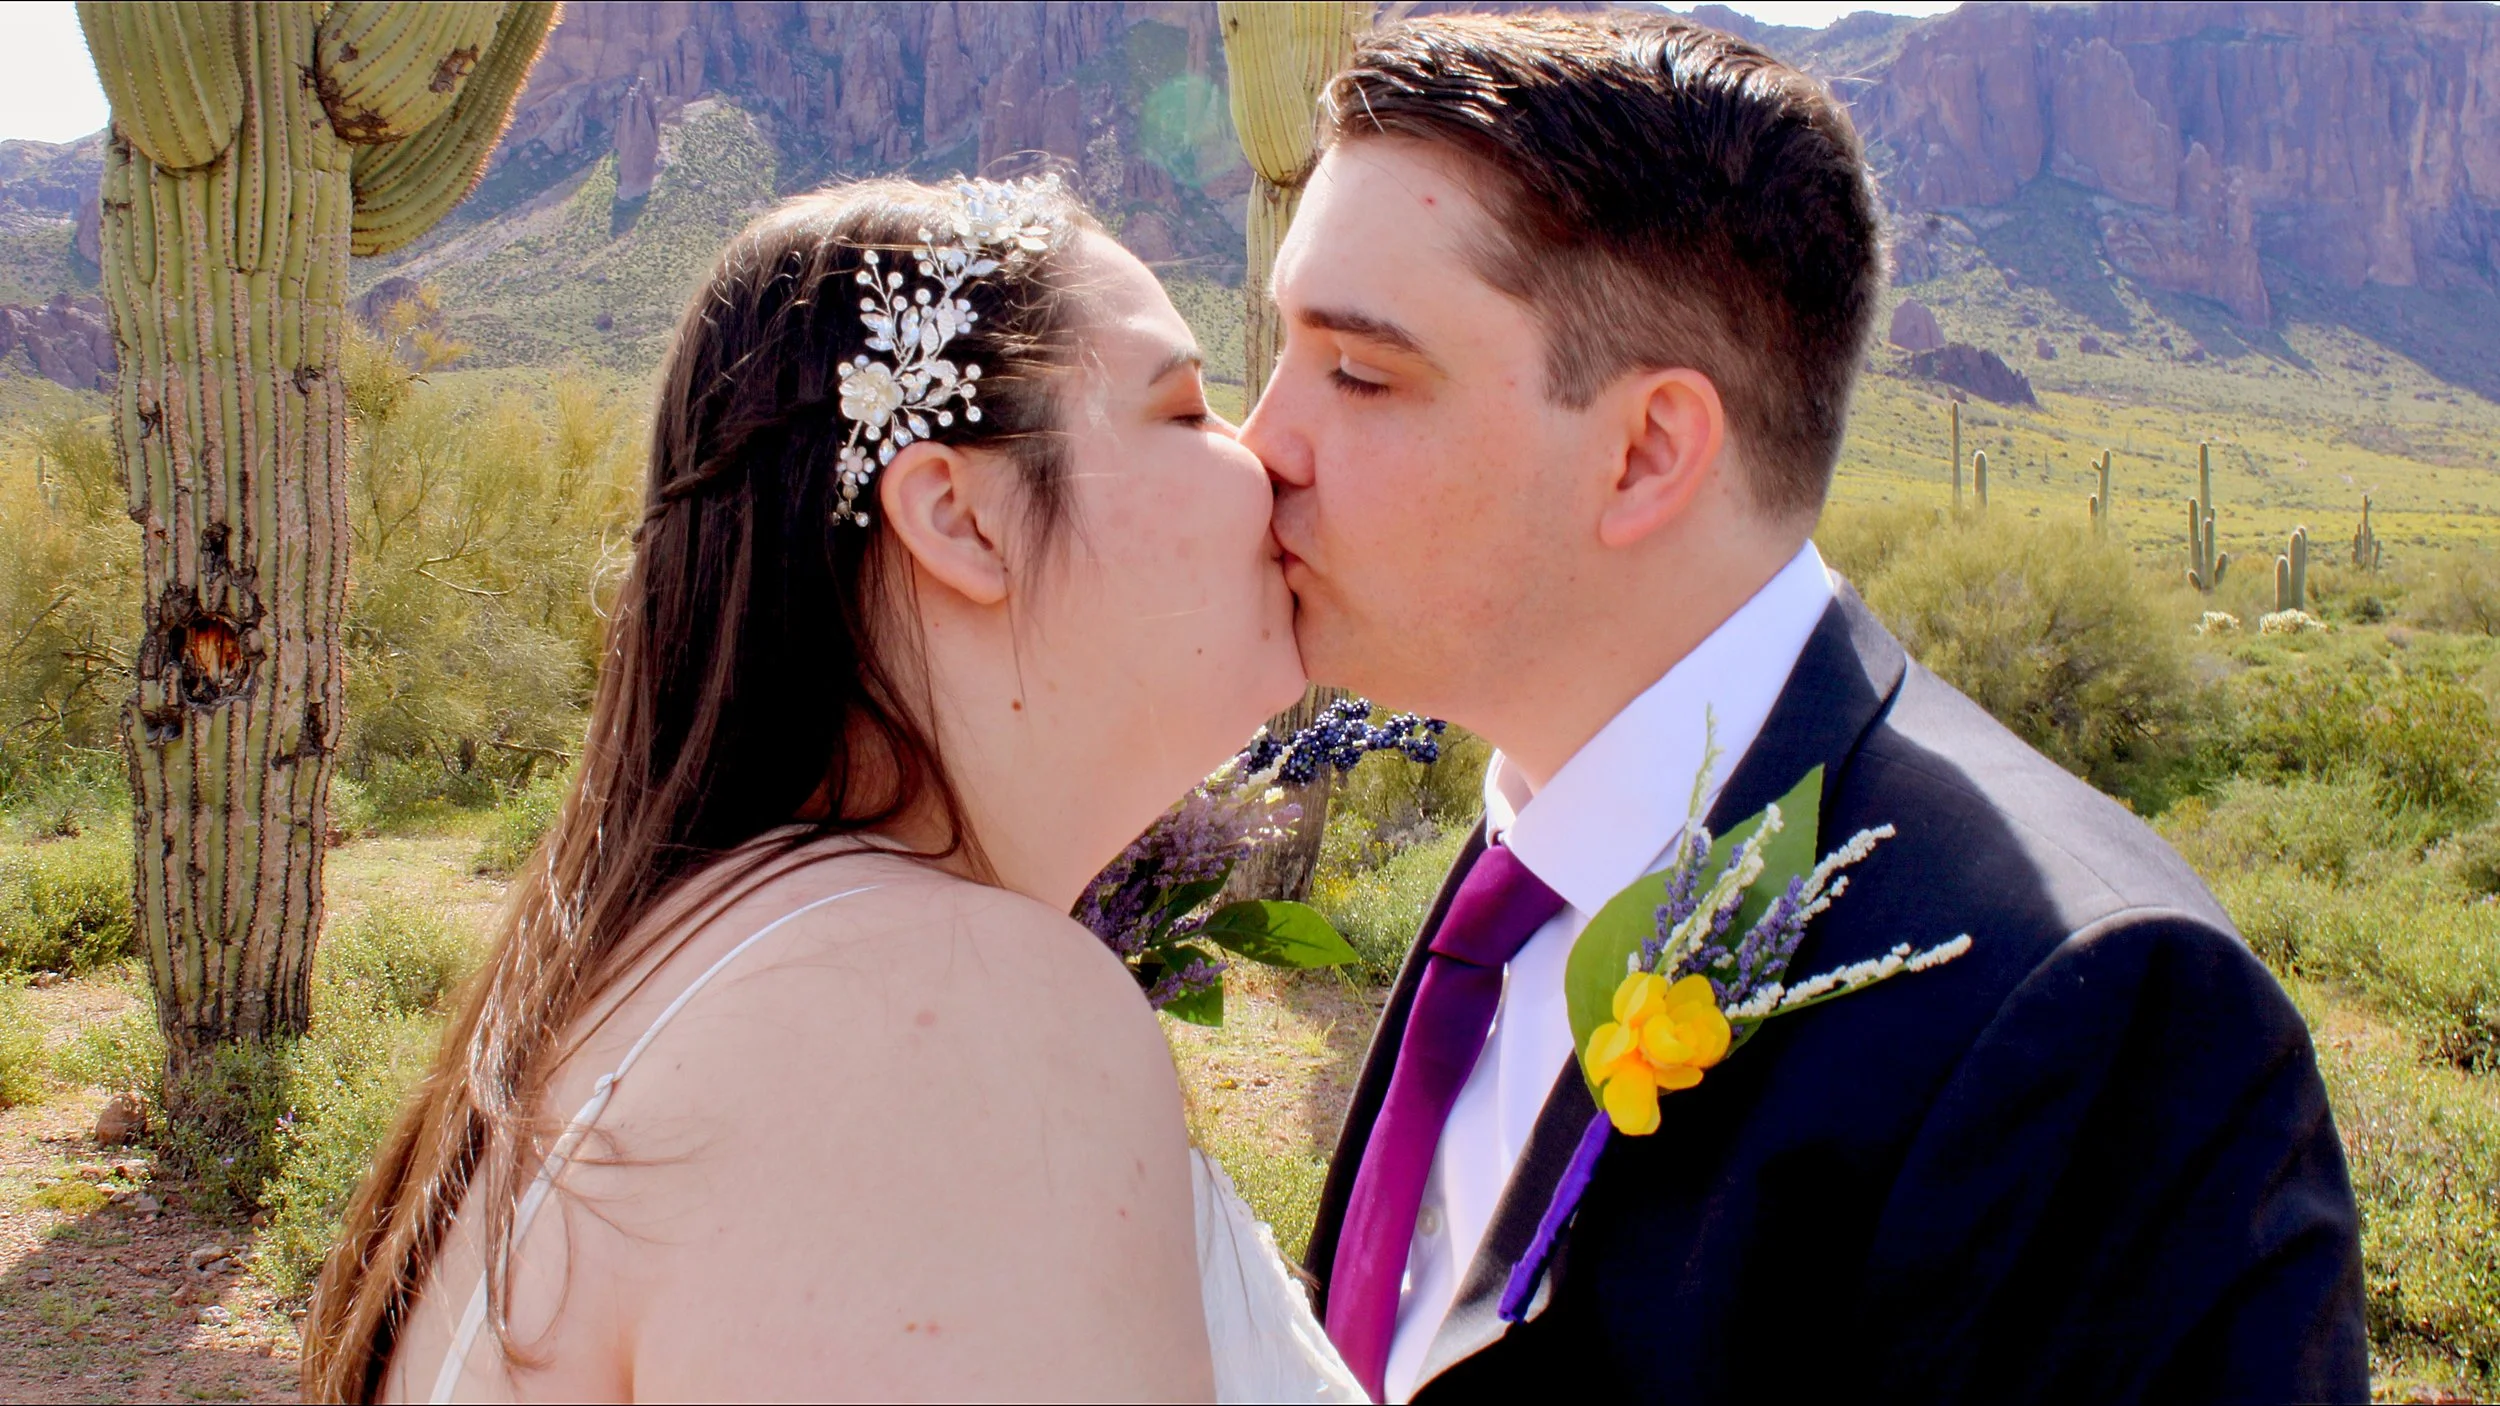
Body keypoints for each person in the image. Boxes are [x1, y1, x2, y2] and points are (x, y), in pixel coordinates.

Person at [1240, 14, 2370, 1403]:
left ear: (1647, 452)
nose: (1262, 443)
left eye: (1358, 372)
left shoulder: (2095, 1019)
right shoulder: (1531, 856)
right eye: (1282, 350)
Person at [302, 175, 1360, 1403]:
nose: (1268, 453)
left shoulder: (713, 948)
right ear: (960, 520)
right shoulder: (939, 1009)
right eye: (1184, 409)